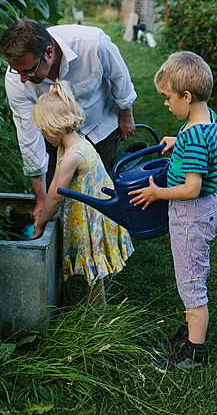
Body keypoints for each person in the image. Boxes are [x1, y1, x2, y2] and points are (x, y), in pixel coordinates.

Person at [129, 51, 217, 371]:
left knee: (191, 285)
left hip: (192, 214)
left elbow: (191, 189)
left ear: (186, 96)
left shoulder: (196, 135)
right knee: (191, 278)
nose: (166, 104)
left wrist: (158, 192)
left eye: (168, 98)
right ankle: (190, 334)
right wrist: (181, 139)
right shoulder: (207, 119)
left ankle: (194, 354)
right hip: (205, 210)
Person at [0, 19, 137, 222]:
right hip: (55, 136)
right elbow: (28, 136)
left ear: (48, 52)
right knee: (58, 192)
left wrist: (126, 114)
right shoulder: (16, 79)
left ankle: (98, 229)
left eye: (28, 70)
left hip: (100, 123)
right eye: (17, 71)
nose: (23, 79)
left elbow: (120, 77)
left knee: (97, 187)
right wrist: (40, 199)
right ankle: (67, 237)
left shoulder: (93, 43)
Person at [29, 79, 134, 306]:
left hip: (95, 215)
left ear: (52, 129)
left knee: (93, 269)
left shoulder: (73, 156)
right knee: (91, 267)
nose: (44, 137)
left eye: (43, 132)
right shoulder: (71, 145)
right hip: (95, 209)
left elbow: (57, 195)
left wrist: (40, 224)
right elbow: (57, 181)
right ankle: (92, 309)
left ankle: (97, 314)